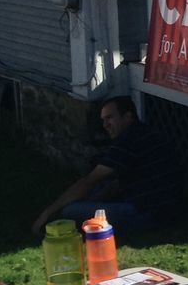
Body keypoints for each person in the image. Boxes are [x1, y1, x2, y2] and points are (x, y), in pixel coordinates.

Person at [31, 96, 180, 236]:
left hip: (145, 214)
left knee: (69, 210)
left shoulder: (128, 141)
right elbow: (114, 184)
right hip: (167, 209)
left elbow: (90, 180)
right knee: (96, 190)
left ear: (128, 117)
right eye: (103, 120)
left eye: (110, 118)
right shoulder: (146, 133)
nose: (105, 125)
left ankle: (48, 224)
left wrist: (48, 213)